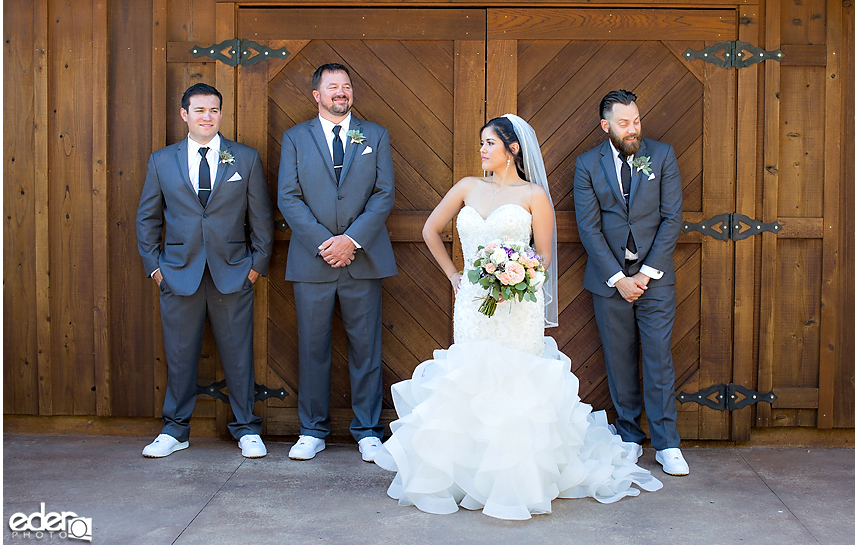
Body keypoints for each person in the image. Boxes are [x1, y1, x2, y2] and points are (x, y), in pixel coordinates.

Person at [373, 115, 662, 520]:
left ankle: (518, 481)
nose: (482, 150)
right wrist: (455, 275)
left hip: (517, 304)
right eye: (480, 143)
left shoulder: (533, 195)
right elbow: (429, 230)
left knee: (516, 387)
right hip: (474, 303)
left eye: (489, 143)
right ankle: (466, 476)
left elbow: (543, 255)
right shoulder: (467, 187)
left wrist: (519, 275)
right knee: (472, 380)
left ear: (512, 149)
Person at [136, 83, 274, 458]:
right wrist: (155, 269)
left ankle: (247, 428)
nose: (207, 117)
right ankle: (175, 429)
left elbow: (261, 219)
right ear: (185, 115)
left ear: (221, 114)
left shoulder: (244, 159)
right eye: (199, 110)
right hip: (178, 273)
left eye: (213, 110)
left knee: (238, 354)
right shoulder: (162, 161)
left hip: (233, 272)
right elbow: (147, 219)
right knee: (180, 354)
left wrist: (255, 268)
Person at [277, 63, 397, 462]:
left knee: (366, 346)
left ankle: (367, 430)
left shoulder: (376, 135)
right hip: (313, 261)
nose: (340, 92)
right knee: (313, 347)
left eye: (346, 86)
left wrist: (351, 241)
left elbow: (383, 194)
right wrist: (325, 243)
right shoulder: (295, 138)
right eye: (333, 87)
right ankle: (312, 430)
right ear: (317, 95)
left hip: (363, 259)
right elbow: (288, 197)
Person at [573, 90, 688, 476]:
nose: (633, 128)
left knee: (658, 358)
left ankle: (667, 443)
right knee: (618, 359)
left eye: (636, 120)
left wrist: (644, 273)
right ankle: (628, 437)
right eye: (624, 123)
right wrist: (619, 278)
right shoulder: (588, 164)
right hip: (609, 282)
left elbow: (672, 218)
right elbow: (588, 227)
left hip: (656, 279)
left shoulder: (662, 155)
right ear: (606, 125)